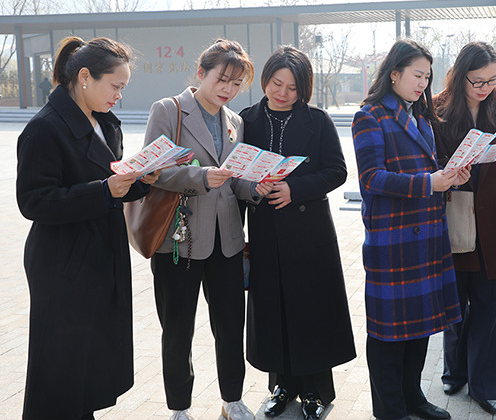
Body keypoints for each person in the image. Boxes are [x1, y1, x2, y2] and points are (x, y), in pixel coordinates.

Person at [17, 36, 159, 420]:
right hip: (63, 263)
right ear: (84, 77)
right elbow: (34, 201)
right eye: (115, 86)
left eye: (123, 88)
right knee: (60, 364)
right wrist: (104, 190)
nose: (119, 96)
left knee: (90, 359)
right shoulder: (44, 128)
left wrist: (142, 178)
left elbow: (111, 181)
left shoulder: (104, 123)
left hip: (100, 255)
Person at [352, 39, 470, 420]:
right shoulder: (370, 116)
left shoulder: (419, 115)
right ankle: (390, 410)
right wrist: (429, 182)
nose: (423, 84)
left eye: (427, 77)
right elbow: (371, 178)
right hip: (393, 239)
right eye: (417, 75)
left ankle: (412, 397)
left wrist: (449, 177)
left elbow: (426, 169)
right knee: (388, 333)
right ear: (394, 74)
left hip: (426, 235)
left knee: (419, 328)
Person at [239, 46, 356, 420]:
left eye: (292, 88)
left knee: (310, 311)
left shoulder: (317, 120)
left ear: (303, 89)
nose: (282, 93)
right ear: (266, 80)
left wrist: (296, 188)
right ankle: (281, 386)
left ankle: (314, 391)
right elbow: (235, 173)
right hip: (266, 231)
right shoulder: (246, 120)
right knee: (274, 311)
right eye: (277, 83)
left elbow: (337, 171)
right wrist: (252, 188)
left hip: (309, 234)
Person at [143, 39, 257, 420]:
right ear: (201, 72)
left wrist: (257, 187)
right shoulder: (168, 110)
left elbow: (234, 179)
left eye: (236, 83)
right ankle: (179, 407)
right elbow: (154, 171)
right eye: (222, 79)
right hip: (181, 239)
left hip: (227, 240)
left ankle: (232, 399)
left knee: (230, 326)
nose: (228, 89)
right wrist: (202, 177)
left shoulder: (235, 121)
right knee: (178, 330)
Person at [433, 42, 496, 415]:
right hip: (454, 219)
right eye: (477, 81)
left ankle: (484, 386)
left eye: (492, 80)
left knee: (487, 308)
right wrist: (450, 170)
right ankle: (455, 371)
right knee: (454, 305)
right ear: (460, 77)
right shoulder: (436, 110)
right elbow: (429, 163)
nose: (485, 88)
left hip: (492, 224)